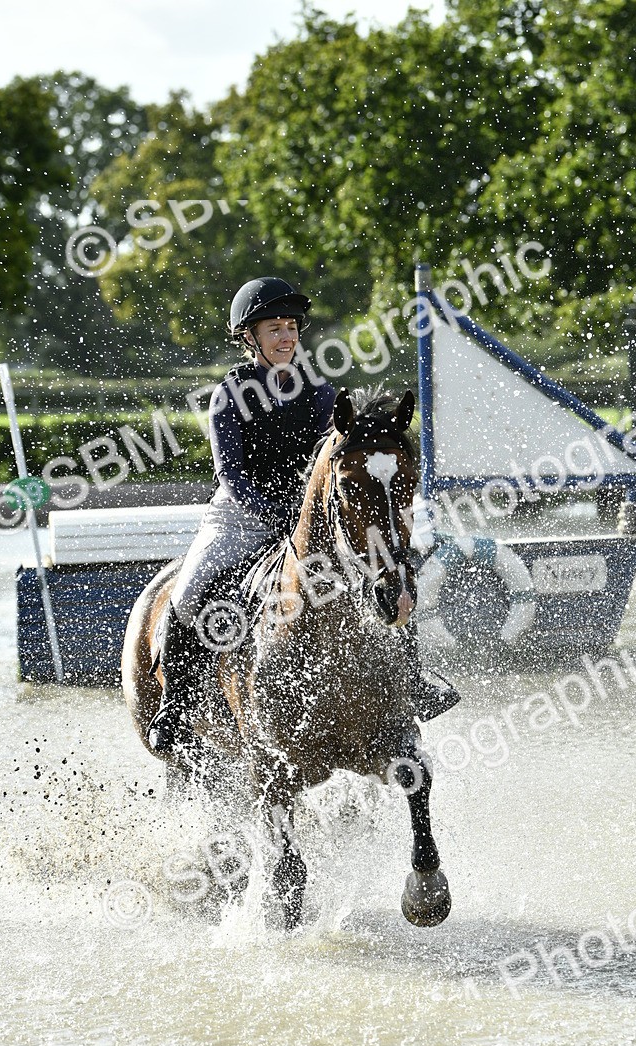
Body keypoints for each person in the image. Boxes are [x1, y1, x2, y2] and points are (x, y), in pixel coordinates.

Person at [147, 277, 459, 754]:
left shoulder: (318, 392)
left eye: (291, 327)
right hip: (240, 516)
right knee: (188, 594)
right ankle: (177, 703)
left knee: (386, 567)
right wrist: (273, 515)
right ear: (249, 336)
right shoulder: (229, 395)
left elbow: (332, 458)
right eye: (275, 328)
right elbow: (231, 472)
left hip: (309, 517)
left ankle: (411, 679)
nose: (287, 337)